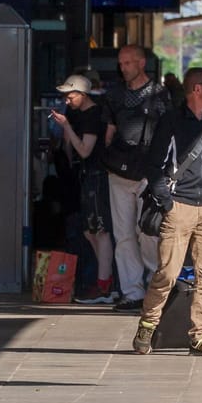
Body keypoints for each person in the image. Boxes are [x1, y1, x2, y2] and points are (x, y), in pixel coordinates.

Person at [134, 67, 202, 357]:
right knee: (168, 273)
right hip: (180, 207)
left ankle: (200, 336)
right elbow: (154, 165)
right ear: (196, 89)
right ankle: (148, 324)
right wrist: (168, 203)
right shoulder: (172, 122)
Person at [102, 45, 171, 313]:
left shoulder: (160, 94)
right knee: (124, 235)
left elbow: (168, 133)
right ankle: (132, 292)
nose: (124, 67)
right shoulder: (115, 95)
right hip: (119, 172)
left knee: (148, 232)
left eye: (128, 62)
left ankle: (156, 288)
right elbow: (109, 131)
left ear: (142, 63)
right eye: (121, 63)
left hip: (148, 173)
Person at [48, 75, 115, 304]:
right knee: (90, 231)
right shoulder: (79, 115)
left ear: (83, 94)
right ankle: (105, 280)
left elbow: (85, 150)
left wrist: (66, 127)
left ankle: (105, 284)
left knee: (99, 230)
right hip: (89, 176)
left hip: (97, 174)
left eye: (71, 95)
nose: (67, 100)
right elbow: (71, 150)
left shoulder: (92, 115)